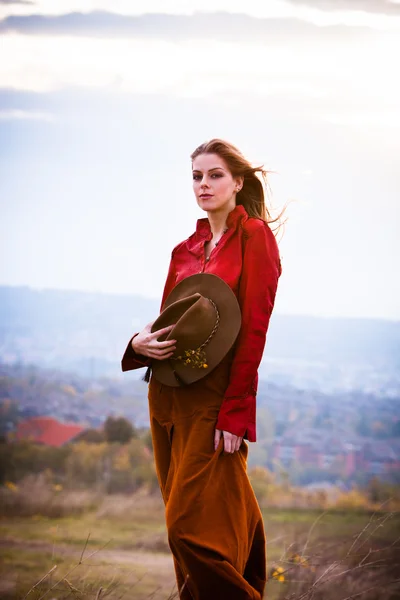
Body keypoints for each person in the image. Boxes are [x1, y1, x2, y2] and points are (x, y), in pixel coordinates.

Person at [121, 139, 282, 599]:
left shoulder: (255, 238)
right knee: (207, 528)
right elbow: (166, 325)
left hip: (213, 400)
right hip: (167, 396)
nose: (204, 184)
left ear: (238, 182)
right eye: (196, 175)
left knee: (185, 530)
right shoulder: (185, 249)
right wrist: (136, 344)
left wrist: (235, 411)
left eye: (214, 175)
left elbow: (253, 329)